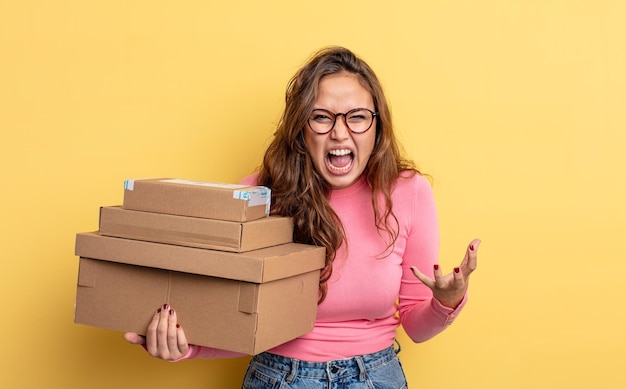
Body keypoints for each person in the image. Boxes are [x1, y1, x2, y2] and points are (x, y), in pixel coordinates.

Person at [124, 46, 480, 388]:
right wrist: (186, 346)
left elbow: (417, 327)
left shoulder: (408, 192)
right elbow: (244, 324)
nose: (340, 133)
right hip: (279, 378)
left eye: (357, 117)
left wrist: (445, 302)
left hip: (376, 377)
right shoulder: (258, 196)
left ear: (377, 127)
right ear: (301, 128)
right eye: (322, 117)